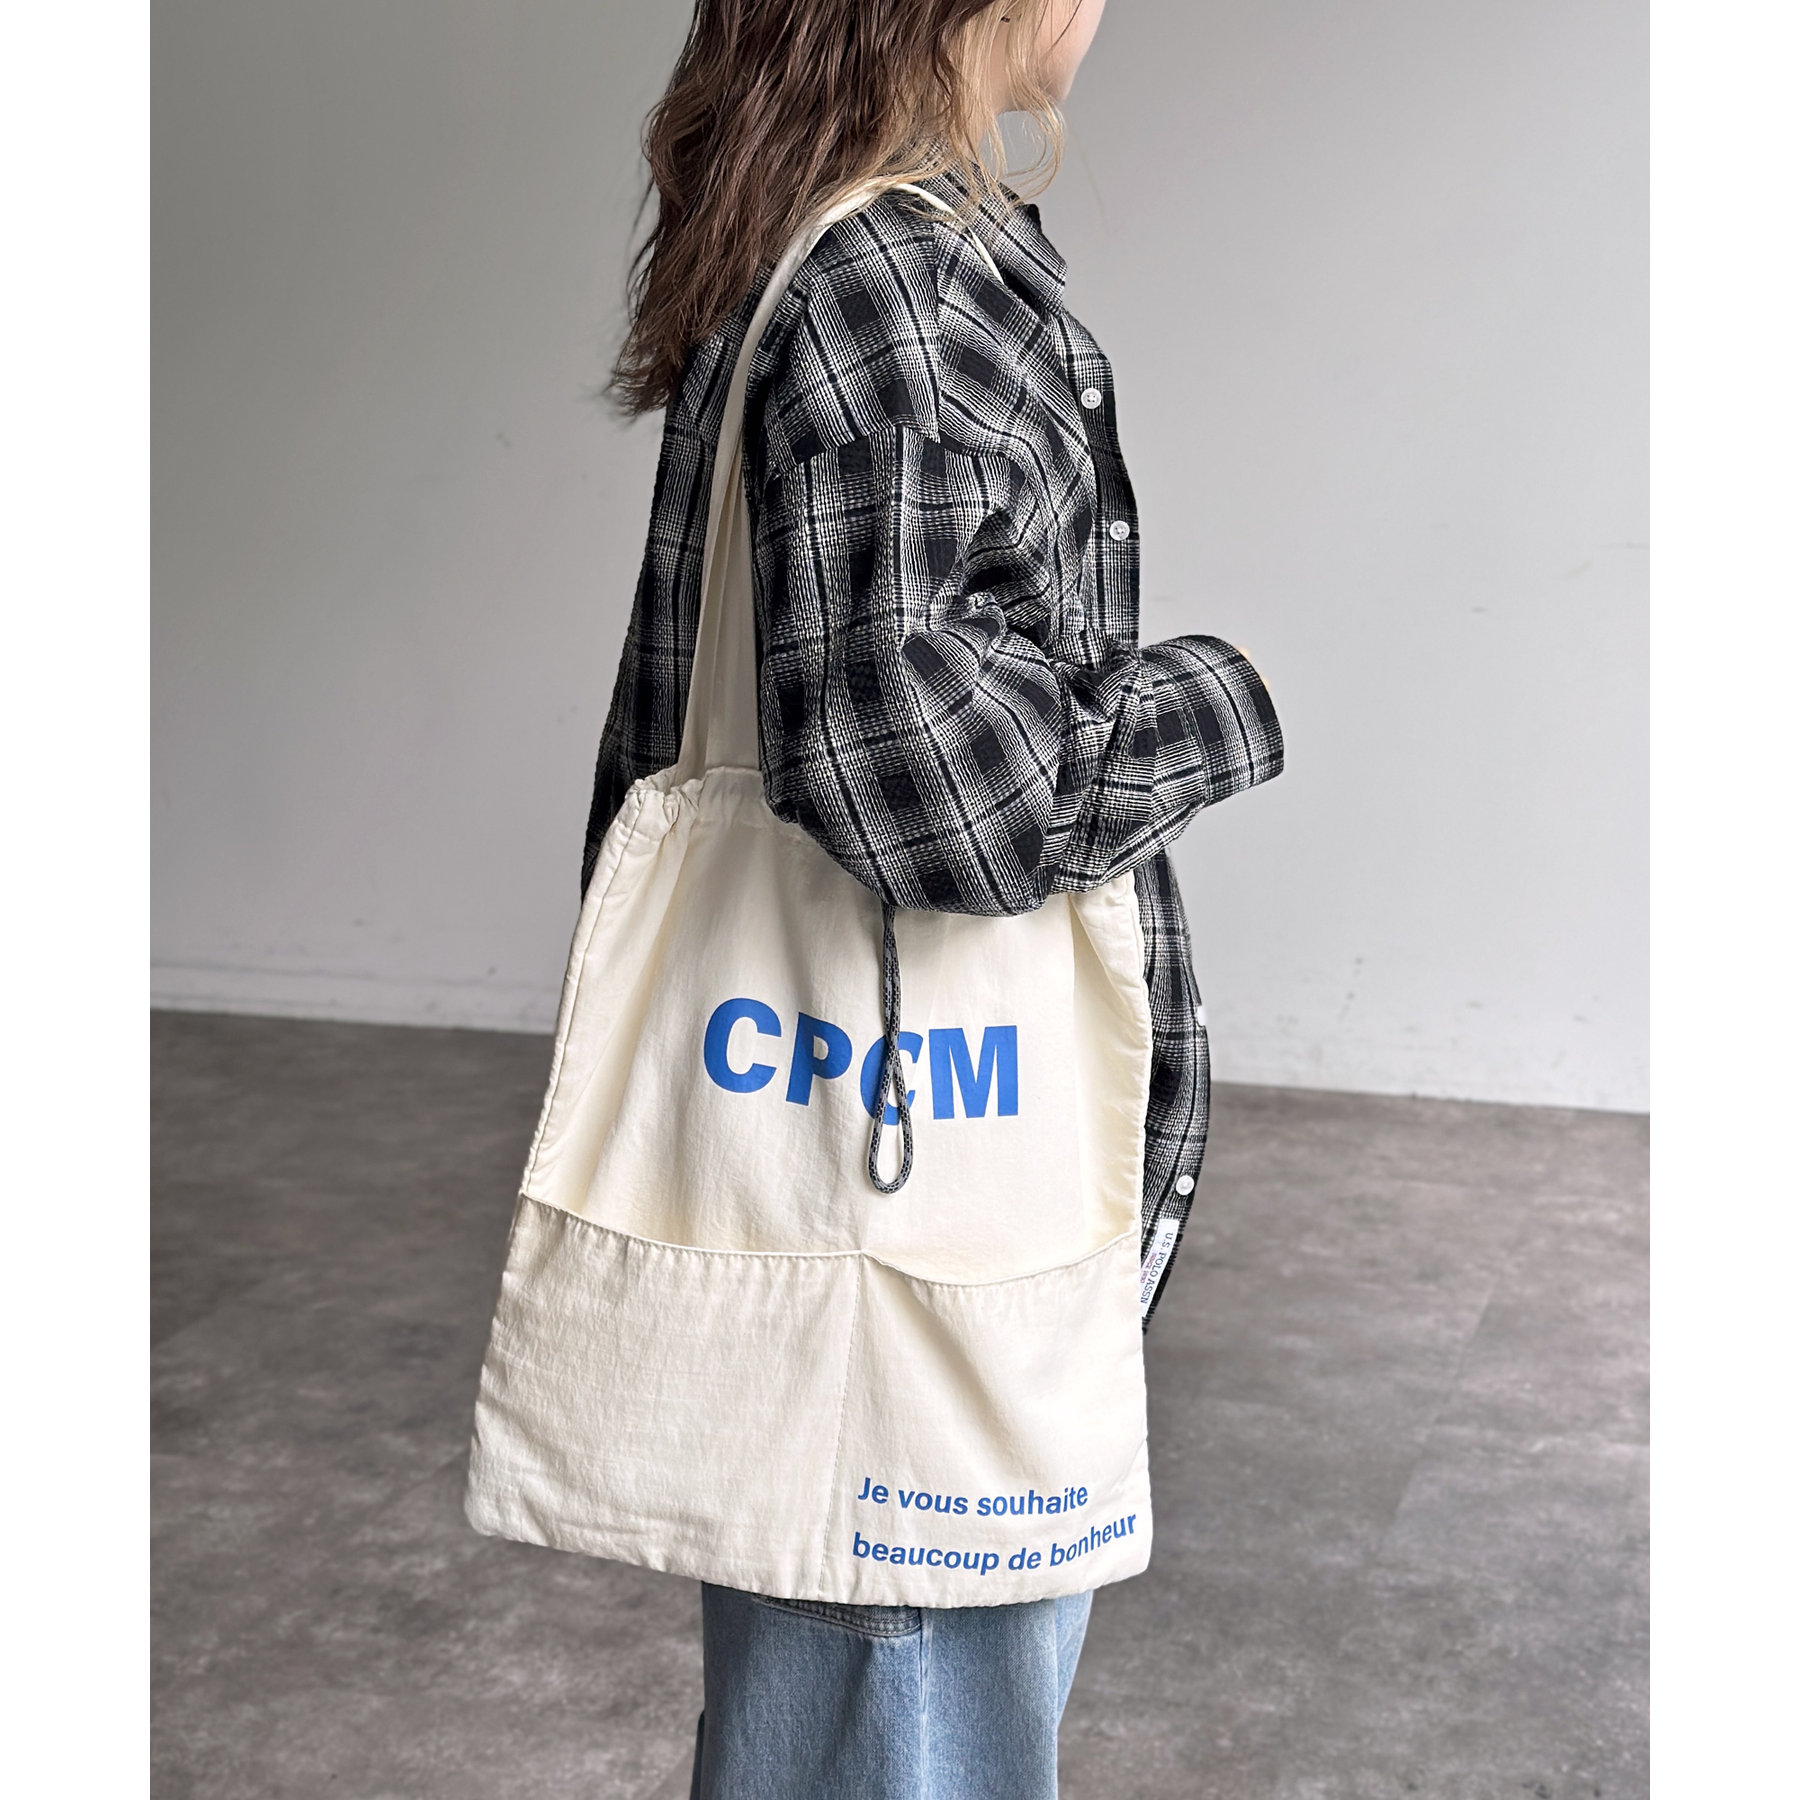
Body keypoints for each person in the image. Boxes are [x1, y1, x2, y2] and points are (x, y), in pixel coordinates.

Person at [587, 3, 1284, 1794]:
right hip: (912, 1214)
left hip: (874, 1166)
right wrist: (1217, 703)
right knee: (901, 1712)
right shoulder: (889, 280)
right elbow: (926, 776)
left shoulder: (828, 244)